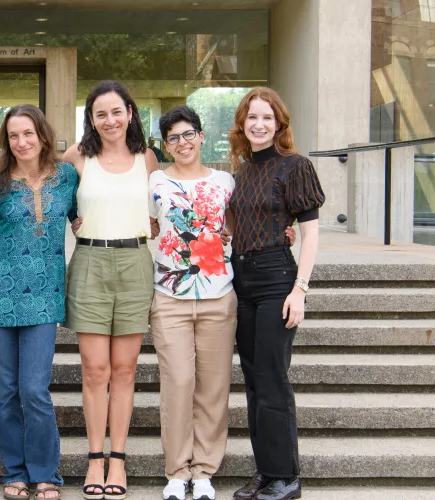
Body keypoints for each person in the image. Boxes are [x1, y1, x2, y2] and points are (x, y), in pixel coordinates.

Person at [62, 80, 159, 500]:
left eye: (117, 111)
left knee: (124, 369)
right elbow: (50, 200)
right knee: (94, 368)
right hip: (90, 263)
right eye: (101, 113)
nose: (110, 120)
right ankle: (94, 458)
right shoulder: (78, 158)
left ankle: (117, 459)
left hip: (136, 262)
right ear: (91, 119)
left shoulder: (148, 159)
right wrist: (71, 219)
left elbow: (171, 207)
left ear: (131, 113)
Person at [227, 87, 324, 500]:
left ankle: (287, 477)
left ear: (279, 124)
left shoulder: (295, 166)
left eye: (267, 118)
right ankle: (266, 474)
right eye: (252, 118)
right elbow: (234, 228)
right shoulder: (241, 173)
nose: (259, 124)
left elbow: (311, 234)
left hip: (276, 278)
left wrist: (299, 290)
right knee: (252, 381)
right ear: (242, 124)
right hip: (241, 279)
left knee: (271, 378)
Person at [0, 104, 77, 500]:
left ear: (43, 137)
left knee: (34, 389)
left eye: (28, 134)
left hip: (44, 298)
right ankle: (15, 472)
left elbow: (83, 215)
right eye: (13, 136)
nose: (21, 142)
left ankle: (45, 473)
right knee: (6, 390)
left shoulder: (67, 176)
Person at [149, 106, 237, 500]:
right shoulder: (156, 181)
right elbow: (149, 224)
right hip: (170, 297)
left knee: (213, 387)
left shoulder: (225, 181)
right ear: (165, 145)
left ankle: (203, 471)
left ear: (201, 136)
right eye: (173, 138)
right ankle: (176, 470)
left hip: (219, 295)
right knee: (178, 384)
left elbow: (236, 227)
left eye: (189, 134)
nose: (182, 143)